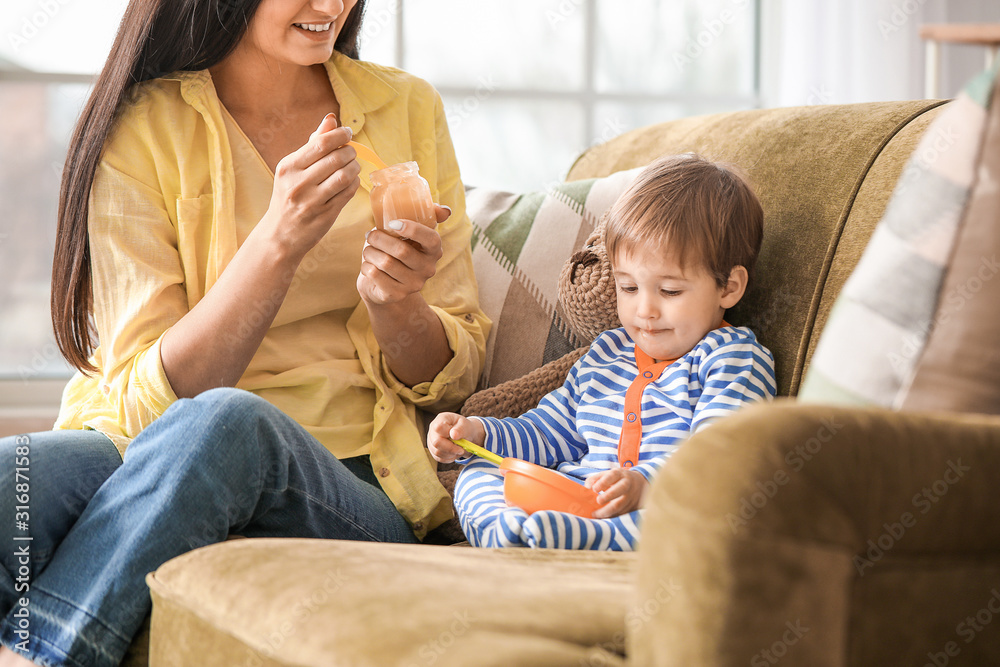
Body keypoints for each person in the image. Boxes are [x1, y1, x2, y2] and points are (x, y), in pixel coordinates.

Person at [0, 0, 488, 665]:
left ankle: (36, 654)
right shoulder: (142, 130)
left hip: (354, 485)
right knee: (14, 475)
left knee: (228, 425)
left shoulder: (406, 109)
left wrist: (397, 304)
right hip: (153, 447)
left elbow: (457, 374)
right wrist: (277, 243)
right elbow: (149, 410)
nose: (330, 6)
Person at [428, 154, 777, 551]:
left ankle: (576, 540)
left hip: (660, 504)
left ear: (729, 287)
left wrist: (645, 485)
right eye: (628, 288)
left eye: (670, 291)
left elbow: (718, 460)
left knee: (690, 521)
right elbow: (549, 432)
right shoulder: (606, 354)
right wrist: (481, 434)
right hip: (574, 493)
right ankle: (510, 531)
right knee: (478, 474)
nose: (644, 310)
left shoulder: (733, 359)